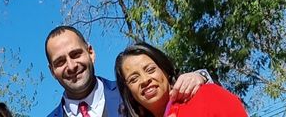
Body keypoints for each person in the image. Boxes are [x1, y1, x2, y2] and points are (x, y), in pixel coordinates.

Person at [45, 26, 212, 117]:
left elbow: (171, 94)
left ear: (90, 52)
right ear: (52, 71)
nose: (71, 66)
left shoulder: (133, 94)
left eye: (76, 54)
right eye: (60, 62)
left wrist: (200, 76)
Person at [115, 42, 247, 117]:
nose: (144, 80)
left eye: (150, 70)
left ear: (165, 71)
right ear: (129, 92)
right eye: (133, 79)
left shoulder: (206, 95)